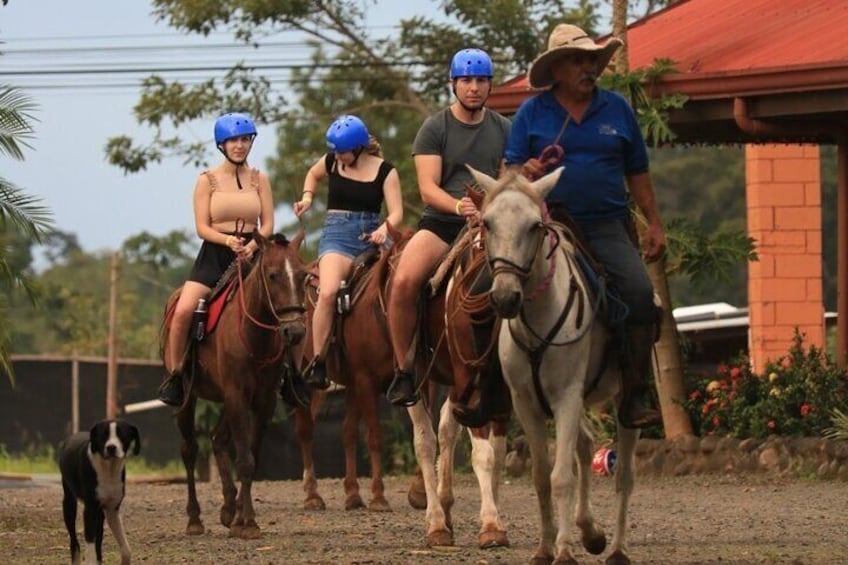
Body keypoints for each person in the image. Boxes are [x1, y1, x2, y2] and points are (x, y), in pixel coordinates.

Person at [504, 24, 665, 428]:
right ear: (556, 69)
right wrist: (523, 172)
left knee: (641, 295)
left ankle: (633, 392)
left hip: (605, 224)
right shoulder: (531, 113)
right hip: (545, 226)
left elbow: (638, 173)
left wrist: (654, 225)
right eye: (578, 60)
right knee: (489, 291)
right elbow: (507, 175)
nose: (587, 67)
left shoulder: (617, 109)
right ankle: (488, 388)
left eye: (591, 59)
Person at [385, 48, 511, 407]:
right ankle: (405, 368)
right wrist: (460, 205)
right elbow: (427, 187)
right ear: (453, 84)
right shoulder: (435, 127)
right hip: (443, 222)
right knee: (404, 280)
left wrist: (489, 207)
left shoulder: (505, 128)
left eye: (481, 81)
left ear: (490, 85)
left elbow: (507, 179)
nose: (474, 88)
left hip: (490, 223)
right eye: (467, 81)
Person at [157, 112, 308, 406]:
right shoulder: (207, 181)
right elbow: (202, 227)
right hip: (215, 254)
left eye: (244, 140)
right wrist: (227, 240)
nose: (239, 145)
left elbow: (267, 224)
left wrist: (253, 246)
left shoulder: (259, 179)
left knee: (290, 305)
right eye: (233, 141)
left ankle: (293, 376)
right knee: (183, 311)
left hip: (255, 254)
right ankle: (176, 375)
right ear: (222, 145)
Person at [294, 115, 403, 389]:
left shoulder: (386, 171)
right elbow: (312, 174)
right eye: (335, 151)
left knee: (402, 282)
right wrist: (308, 197)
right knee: (328, 291)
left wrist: (385, 229)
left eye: (342, 151)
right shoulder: (331, 162)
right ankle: (319, 362)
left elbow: (397, 212)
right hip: (338, 238)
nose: (338, 156)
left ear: (358, 148)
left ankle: (407, 357)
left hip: (372, 236)